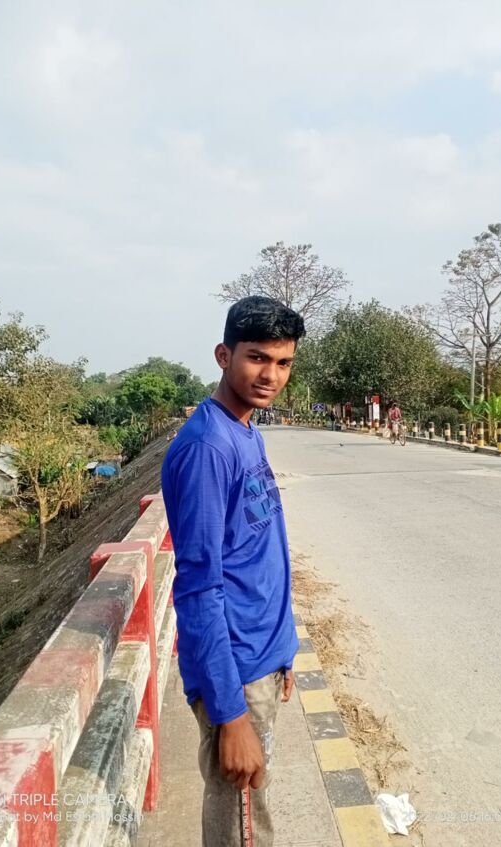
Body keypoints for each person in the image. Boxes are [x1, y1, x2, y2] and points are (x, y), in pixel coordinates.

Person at [161, 296, 306, 847]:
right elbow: (199, 588)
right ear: (224, 356)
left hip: (259, 660)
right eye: (257, 358)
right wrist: (231, 714)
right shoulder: (207, 449)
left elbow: (258, 555)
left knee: (251, 818)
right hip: (236, 677)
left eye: (284, 362)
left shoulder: (245, 430)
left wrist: (282, 650)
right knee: (243, 831)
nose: (271, 375)